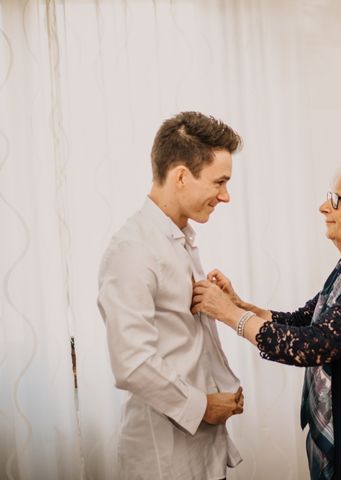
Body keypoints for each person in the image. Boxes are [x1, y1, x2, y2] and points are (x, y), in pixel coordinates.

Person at [192, 158, 341, 480]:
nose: (324, 207)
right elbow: (305, 320)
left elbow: (311, 345)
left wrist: (230, 315)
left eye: (338, 200)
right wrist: (240, 304)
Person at [97, 111, 245, 480]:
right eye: (219, 182)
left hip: (201, 448)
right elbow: (131, 361)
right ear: (181, 176)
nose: (225, 196)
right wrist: (203, 407)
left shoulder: (179, 239)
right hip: (165, 457)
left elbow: (181, 334)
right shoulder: (132, 250)